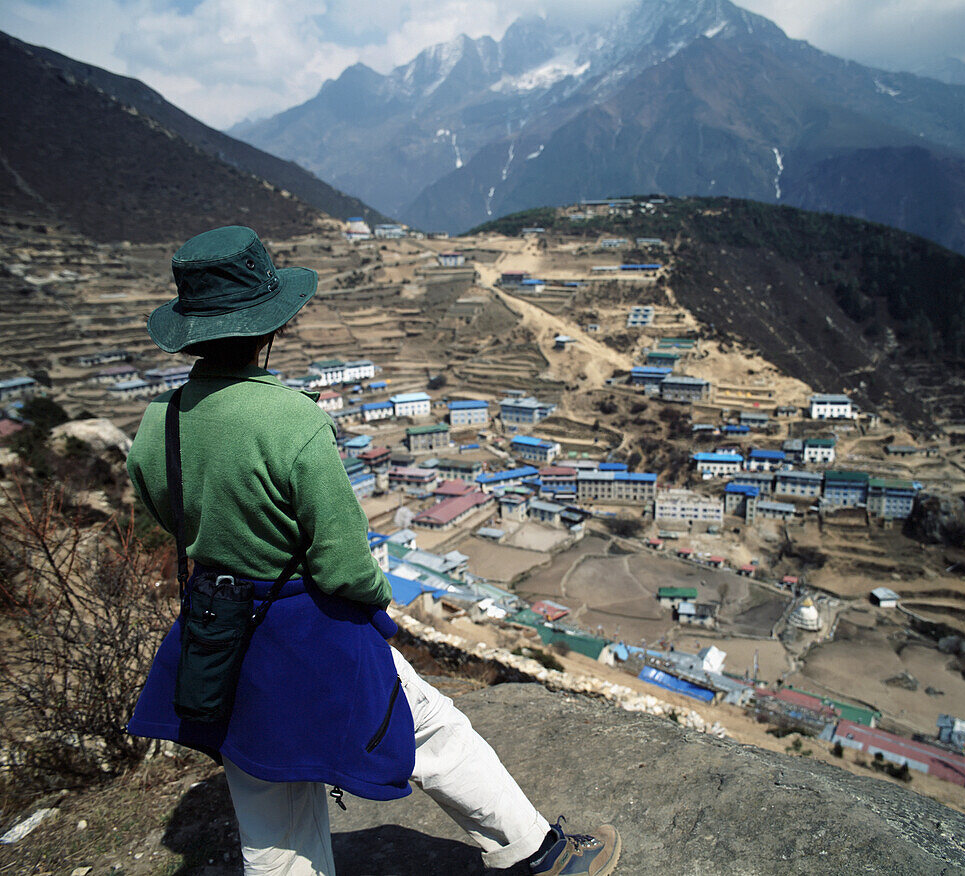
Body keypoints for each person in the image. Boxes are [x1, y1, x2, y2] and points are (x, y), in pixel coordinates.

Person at [125, 226, 621, 876]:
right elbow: (342, 560)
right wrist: (377, 616)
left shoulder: (157, 423)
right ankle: (538, 855)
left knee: (272, 818)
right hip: (306, 634)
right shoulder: (292, 422)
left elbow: (162, 518)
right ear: (267, 326)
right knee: (434, 730)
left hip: (217, 638)